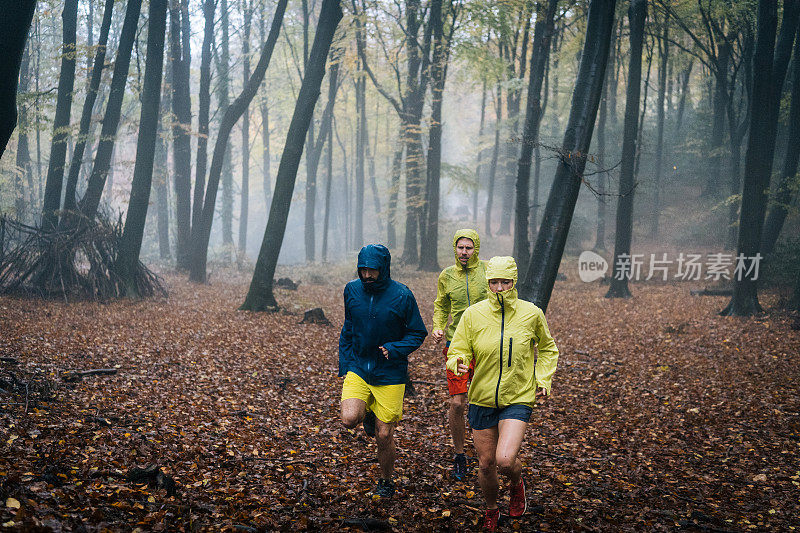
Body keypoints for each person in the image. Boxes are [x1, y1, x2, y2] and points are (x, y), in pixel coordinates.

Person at [445, 256, 558, 531]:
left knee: (504, 460)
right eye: (493, 282)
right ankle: (492, 508)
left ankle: (516, 481)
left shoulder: (531, 313)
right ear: (488, 282)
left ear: (513, 282)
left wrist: (542, 379)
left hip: (517, 396)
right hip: (482, 398)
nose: (499, 287)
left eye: (504, 282)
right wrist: (457, 360)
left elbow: (547, 349)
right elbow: (457, 349)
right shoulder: (473, 315)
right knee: (485, 464)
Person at [338, 244, 428, 499]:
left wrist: (396, 348)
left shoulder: (402, 295)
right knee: (348, 420)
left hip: (390, 373)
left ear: (384, 269)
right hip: (359, 367)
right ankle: (367, 412)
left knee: (384, 434)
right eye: (363, 269)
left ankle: (386, 481)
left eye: (372, 270)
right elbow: (348, 327)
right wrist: (345, 363)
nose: (367, 275)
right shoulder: (352, 290)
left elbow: (418, 333)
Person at [431, 229, 488, 481]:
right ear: (454, 249)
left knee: (483, 399)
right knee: (457, 402)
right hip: (457, 344)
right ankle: (459, 454)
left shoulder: (488, 272)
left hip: (486, 344)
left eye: (469, 248)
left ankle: (487, 451)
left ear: (476, 249)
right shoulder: (447, 275)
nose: (464, 252)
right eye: (460, 248)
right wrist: (438, 326)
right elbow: (441, 304)